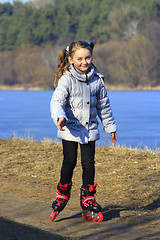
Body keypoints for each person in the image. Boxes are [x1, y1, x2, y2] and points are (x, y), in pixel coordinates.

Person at [50, 40, 117, 221]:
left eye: (87, 58)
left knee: (89, 164)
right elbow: (57, 101)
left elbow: (104, 106)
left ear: (91, 58)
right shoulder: (67, 79)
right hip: (69, 129)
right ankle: (63, 191)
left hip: (90, 130)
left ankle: (88, 197)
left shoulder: (97, 80)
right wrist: (59, 116)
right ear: (71, 59)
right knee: (69, 162)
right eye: (79, 59)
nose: (84, 62)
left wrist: (110, 127)